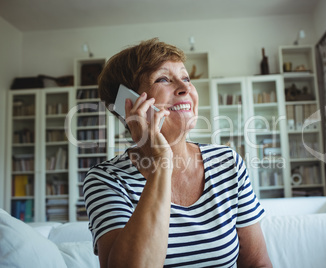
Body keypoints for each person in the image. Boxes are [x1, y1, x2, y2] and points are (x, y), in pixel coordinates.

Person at [83, 38, 273, 268]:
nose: (185, 88)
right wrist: (162, 162)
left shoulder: (228, 163)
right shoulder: (106, 180)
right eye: (163, 79)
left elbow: (257, 264)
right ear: (128, 103)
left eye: (185, 78)